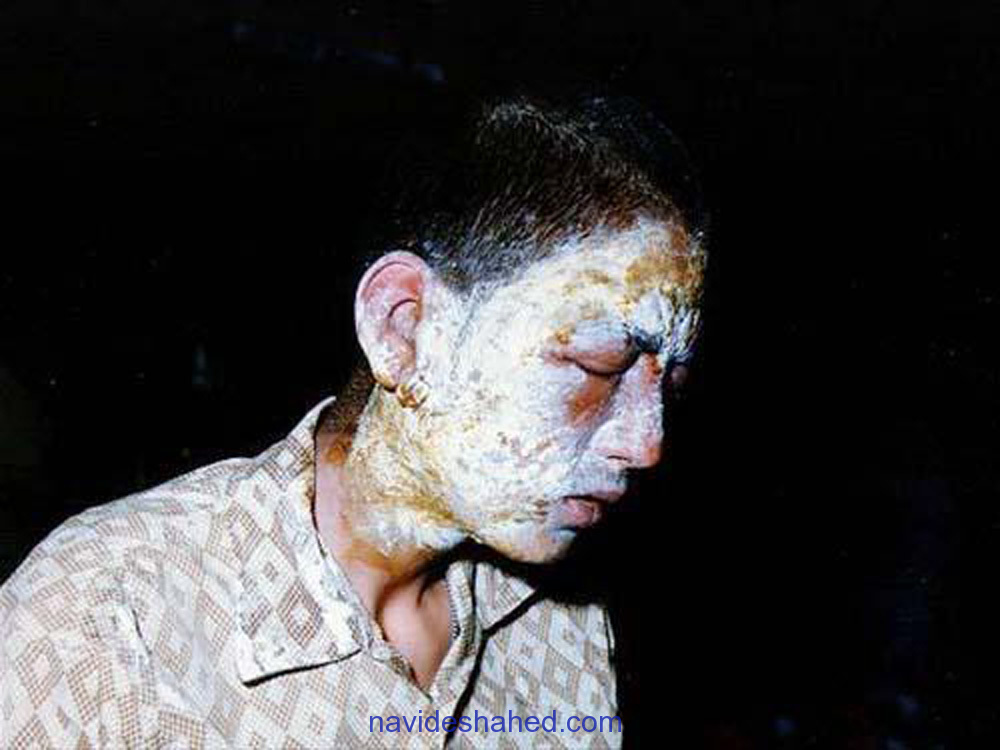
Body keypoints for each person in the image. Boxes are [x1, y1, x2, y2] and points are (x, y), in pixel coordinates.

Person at [0, 93, 706, 748]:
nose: (647, 443)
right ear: (404, 329)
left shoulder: (563, 628)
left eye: (669, 385)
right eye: (597, 365)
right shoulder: (101, 617)